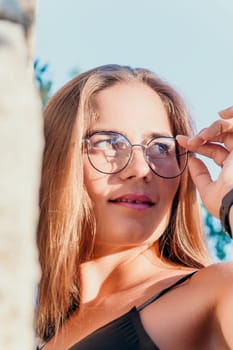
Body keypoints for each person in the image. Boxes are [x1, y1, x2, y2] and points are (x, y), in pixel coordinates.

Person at [36, 64, 233, 350]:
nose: (141, 169)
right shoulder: (28, 330)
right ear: (57, 161)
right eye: (109, 142)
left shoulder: (217, 290)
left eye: (161, 147)